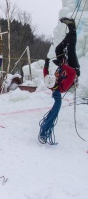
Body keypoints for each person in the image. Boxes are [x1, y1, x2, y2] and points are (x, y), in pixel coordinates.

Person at [39, 17, 79, 145]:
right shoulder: (62, 87)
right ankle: (72, 28)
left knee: (58, 50)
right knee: (71, 50)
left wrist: (46, 65)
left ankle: (68, 36)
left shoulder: (51, 84)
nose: (55, 77)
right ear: (56, 82)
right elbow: (72, 74)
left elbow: (45, 74)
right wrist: (63, 65)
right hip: (73, 70)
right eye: (55, 79)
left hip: (64, 67)